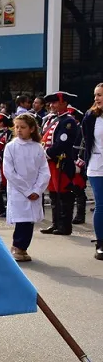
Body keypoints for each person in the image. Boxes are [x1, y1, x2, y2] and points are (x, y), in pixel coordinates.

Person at [4, 113, 50, 262]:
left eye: (22, 127)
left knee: (29, 221)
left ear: (31, 129)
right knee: (21, 220)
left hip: (34, 190)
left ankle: (23, 248)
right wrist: (27, 190)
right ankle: (17, 246)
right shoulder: (11, 147)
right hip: (19, 190)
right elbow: (9, 171)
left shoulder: (38, 148)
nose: (19, 130)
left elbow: (44, 170)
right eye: (16, 127)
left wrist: (37, 189)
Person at [40, 92, 79, 236]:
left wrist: (47, 153)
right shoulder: (54, 120)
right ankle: (55, 223)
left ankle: (65, 226)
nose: (51, 105)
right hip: (51, 163)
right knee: (54, 195)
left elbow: (63, 143)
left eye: (55, 102)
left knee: (64, 195)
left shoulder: (68, 121)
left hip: (61, 162)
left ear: (63, 103)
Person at [82, 83, 103, 259]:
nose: (97, 98)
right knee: (101, 205)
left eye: (100, 95)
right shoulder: (90, 117)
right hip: (97, 166)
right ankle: (100, 243)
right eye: (96, 95)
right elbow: (87, 142)